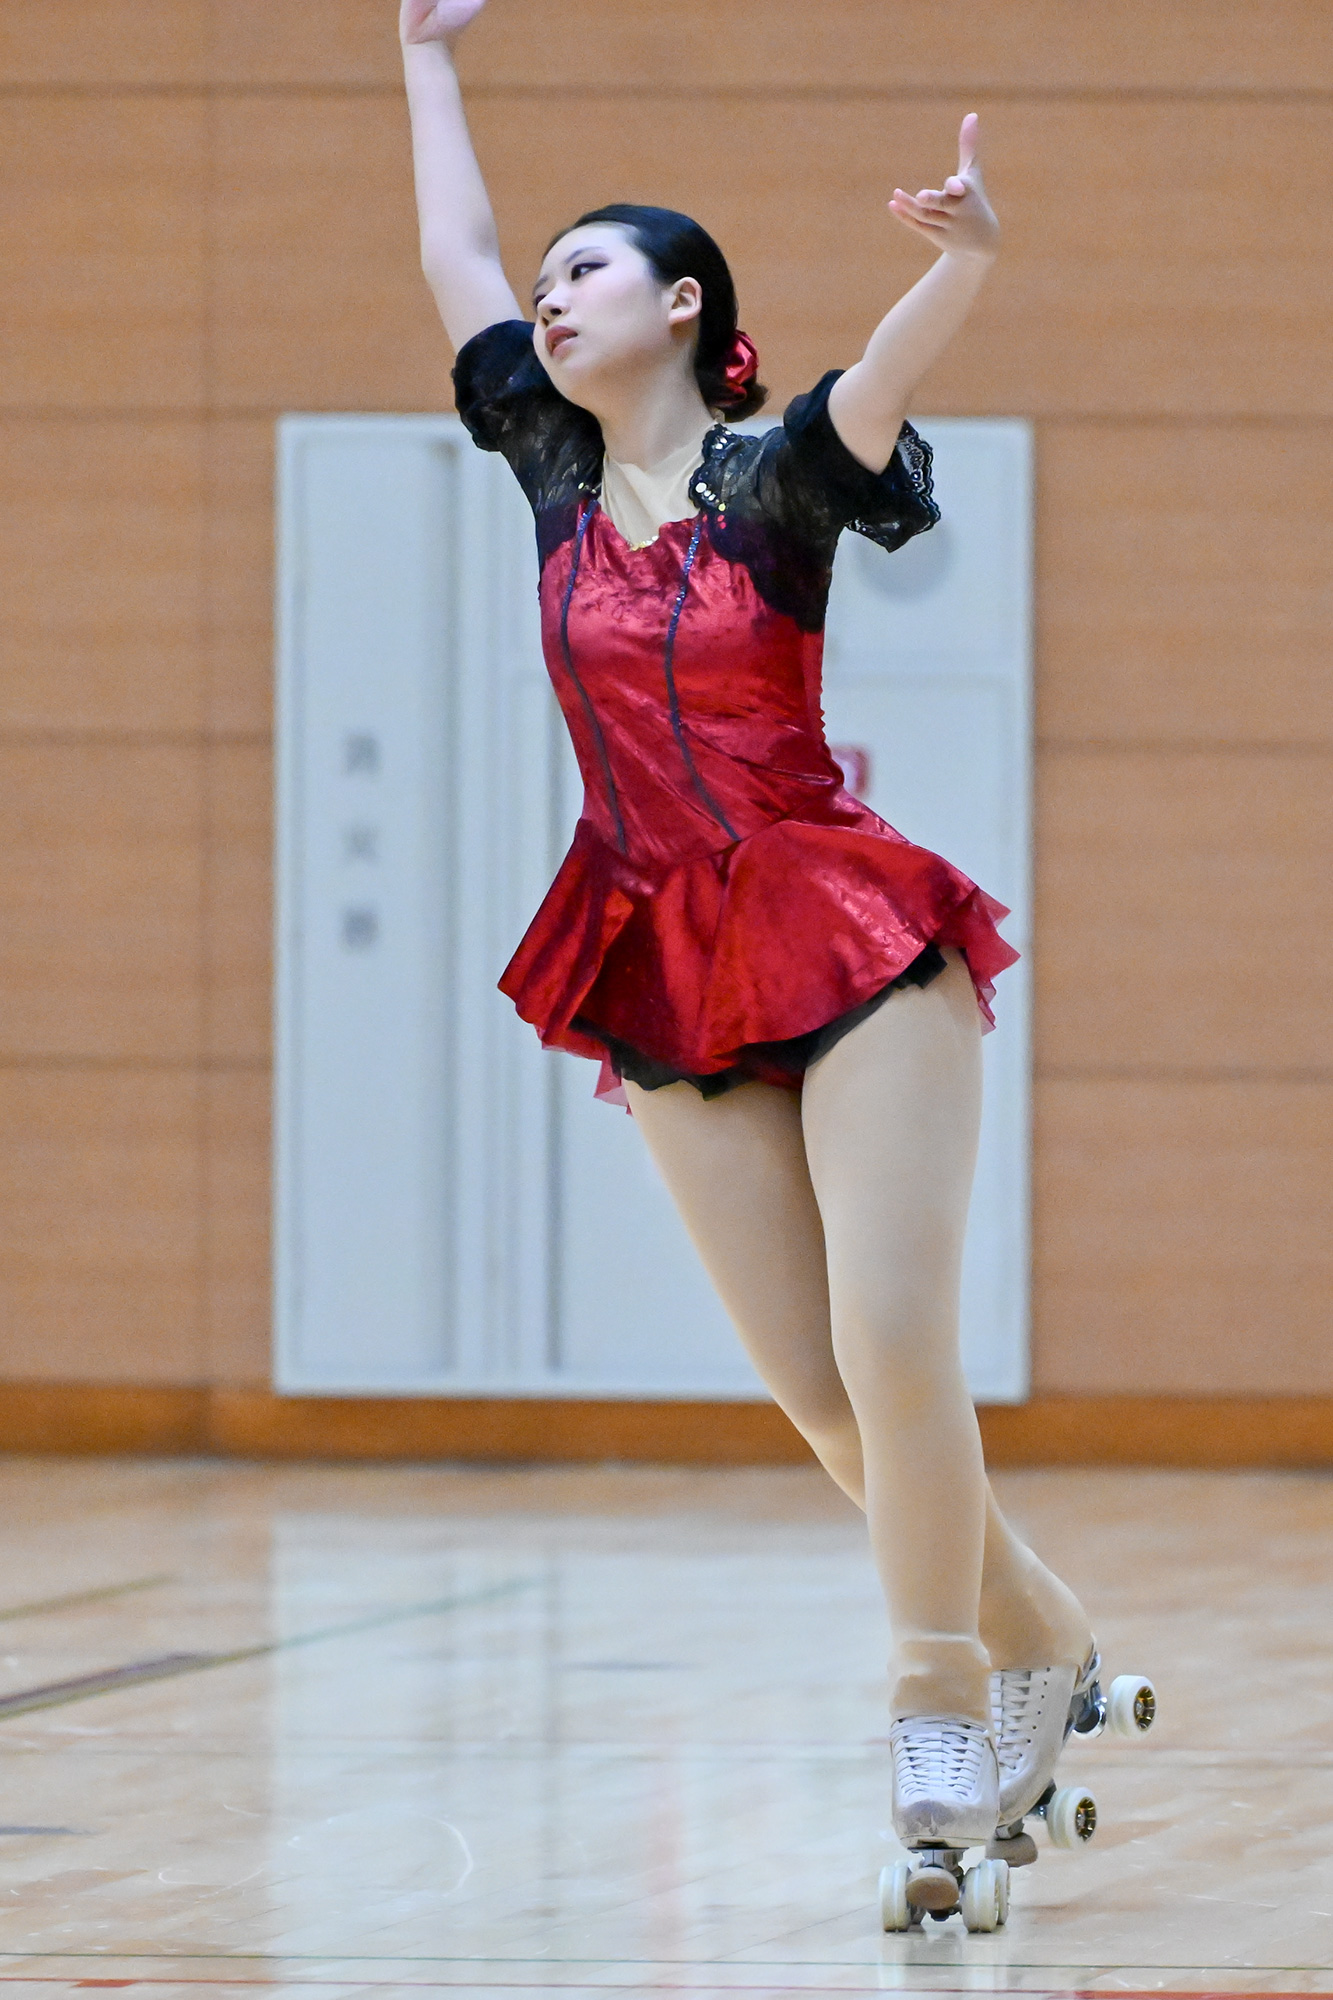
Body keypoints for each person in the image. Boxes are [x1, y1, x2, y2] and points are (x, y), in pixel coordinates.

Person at [398, 0, 1115, 1905]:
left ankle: (937, 1699)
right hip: (653, 950)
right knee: (811, 1387)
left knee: (891, 1339)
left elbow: (882, 373)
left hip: (849, 934)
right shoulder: (549, 468)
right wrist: (425, 61)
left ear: (681, 303)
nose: (546, 299)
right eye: (544, 285)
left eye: (585, 272)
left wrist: (965, 260)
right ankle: (1043, 1630)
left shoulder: (781, 471)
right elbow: (454, 249)